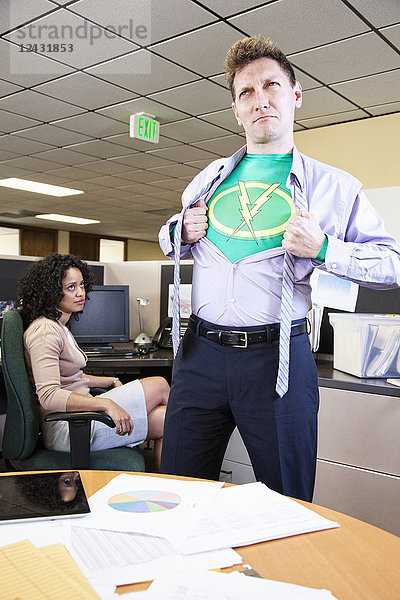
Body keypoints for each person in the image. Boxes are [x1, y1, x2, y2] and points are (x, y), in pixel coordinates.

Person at [158, 35, 400, 501]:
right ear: (235, 109)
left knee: (286, 502)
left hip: (278, 360)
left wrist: (326, 247)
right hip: (200, 356)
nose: (259, 100)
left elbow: (391, 263)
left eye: (270, 85)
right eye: (246, 92)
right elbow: (168, 236)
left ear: (295, 95)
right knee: (177, 495)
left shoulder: (334, 187)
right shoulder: (210, 178)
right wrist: (179, 232)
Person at [19, 254, 169, 470]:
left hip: (81, 417)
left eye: (81, 285)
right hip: (69, 429)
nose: (81, 293)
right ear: (50, 291)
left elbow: (70, 377)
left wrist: (109, 380)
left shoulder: (58, 325)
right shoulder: (45, 332)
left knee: (168, 421)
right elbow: (49, 395)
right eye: (71, 287)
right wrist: (106, 403)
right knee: (160, 385)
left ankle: (169, 492)